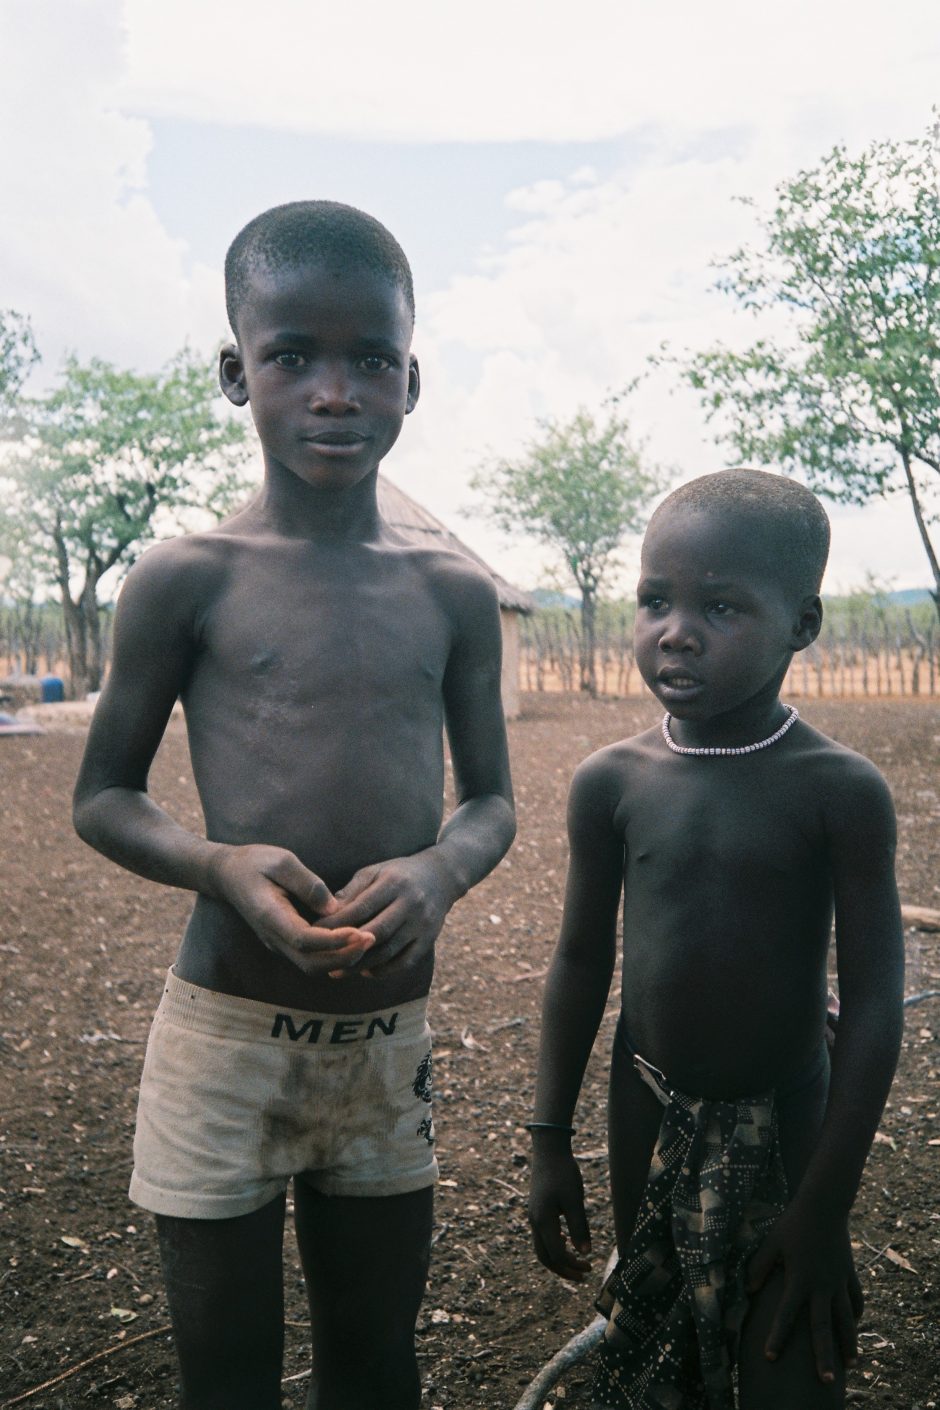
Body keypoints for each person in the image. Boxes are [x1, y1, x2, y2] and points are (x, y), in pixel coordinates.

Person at [73, 200, 515, 1410]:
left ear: (410, 380)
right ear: (236, 372)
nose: (335, 392)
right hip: (224, 1038)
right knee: (227, 1376)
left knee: (377, 1365)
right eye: (293, 357)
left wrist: (438, 872)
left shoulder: (451, 594)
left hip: (386, 1047)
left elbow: (490, 805)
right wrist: (217, 866)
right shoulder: (185, 579)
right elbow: (103, 796)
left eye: (370, 358)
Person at [527, 469, 904, 1409]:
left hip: (791, 1120)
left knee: (791, 1357)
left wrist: (824, 1211)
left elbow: (875, 1006)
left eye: (721, 606)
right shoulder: (610, 782)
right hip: (645, 1103)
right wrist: (546, 1139)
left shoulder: (839, 791)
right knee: (664, 1360)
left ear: (802, 626)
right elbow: (581, 962)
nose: (675, 630)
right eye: (655, 599)